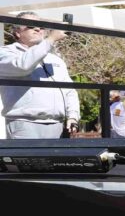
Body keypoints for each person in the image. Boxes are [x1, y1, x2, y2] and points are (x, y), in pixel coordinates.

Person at [0, 11, 80, 139]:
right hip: (24, 124)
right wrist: (51, 39)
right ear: (17, 32)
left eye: (41, 26)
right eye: (31, 26)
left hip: (57, 124)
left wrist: (73, 116)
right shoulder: (5, 53)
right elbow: (22, 66)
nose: (38, 29)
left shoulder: (55, 59)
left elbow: (69, 90)